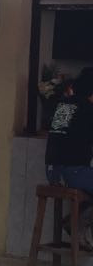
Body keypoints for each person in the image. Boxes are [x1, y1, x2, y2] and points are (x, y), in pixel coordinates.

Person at [45, 67, 93, 249]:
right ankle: (77, 222)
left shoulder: (64, 104)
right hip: (72, 172)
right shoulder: (88, 109)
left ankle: (74, 221)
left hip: (53, 172)